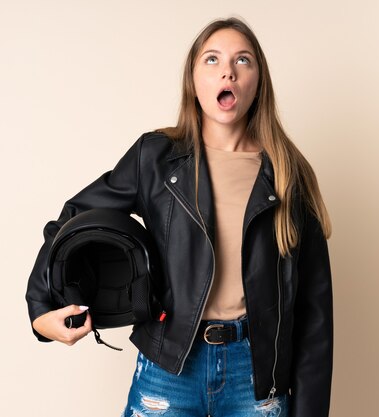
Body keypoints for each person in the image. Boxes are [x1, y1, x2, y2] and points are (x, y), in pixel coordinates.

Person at [26, 17, 333, 417]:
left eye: (243, 60)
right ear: (193, 80)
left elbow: (315, 313)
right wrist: (40, 309)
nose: (228, 70)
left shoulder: (288, 173)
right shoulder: (155, 157)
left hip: (255, 375)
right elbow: (73, 219)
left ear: (258, 81)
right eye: (212, 59)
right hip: (169, 367)